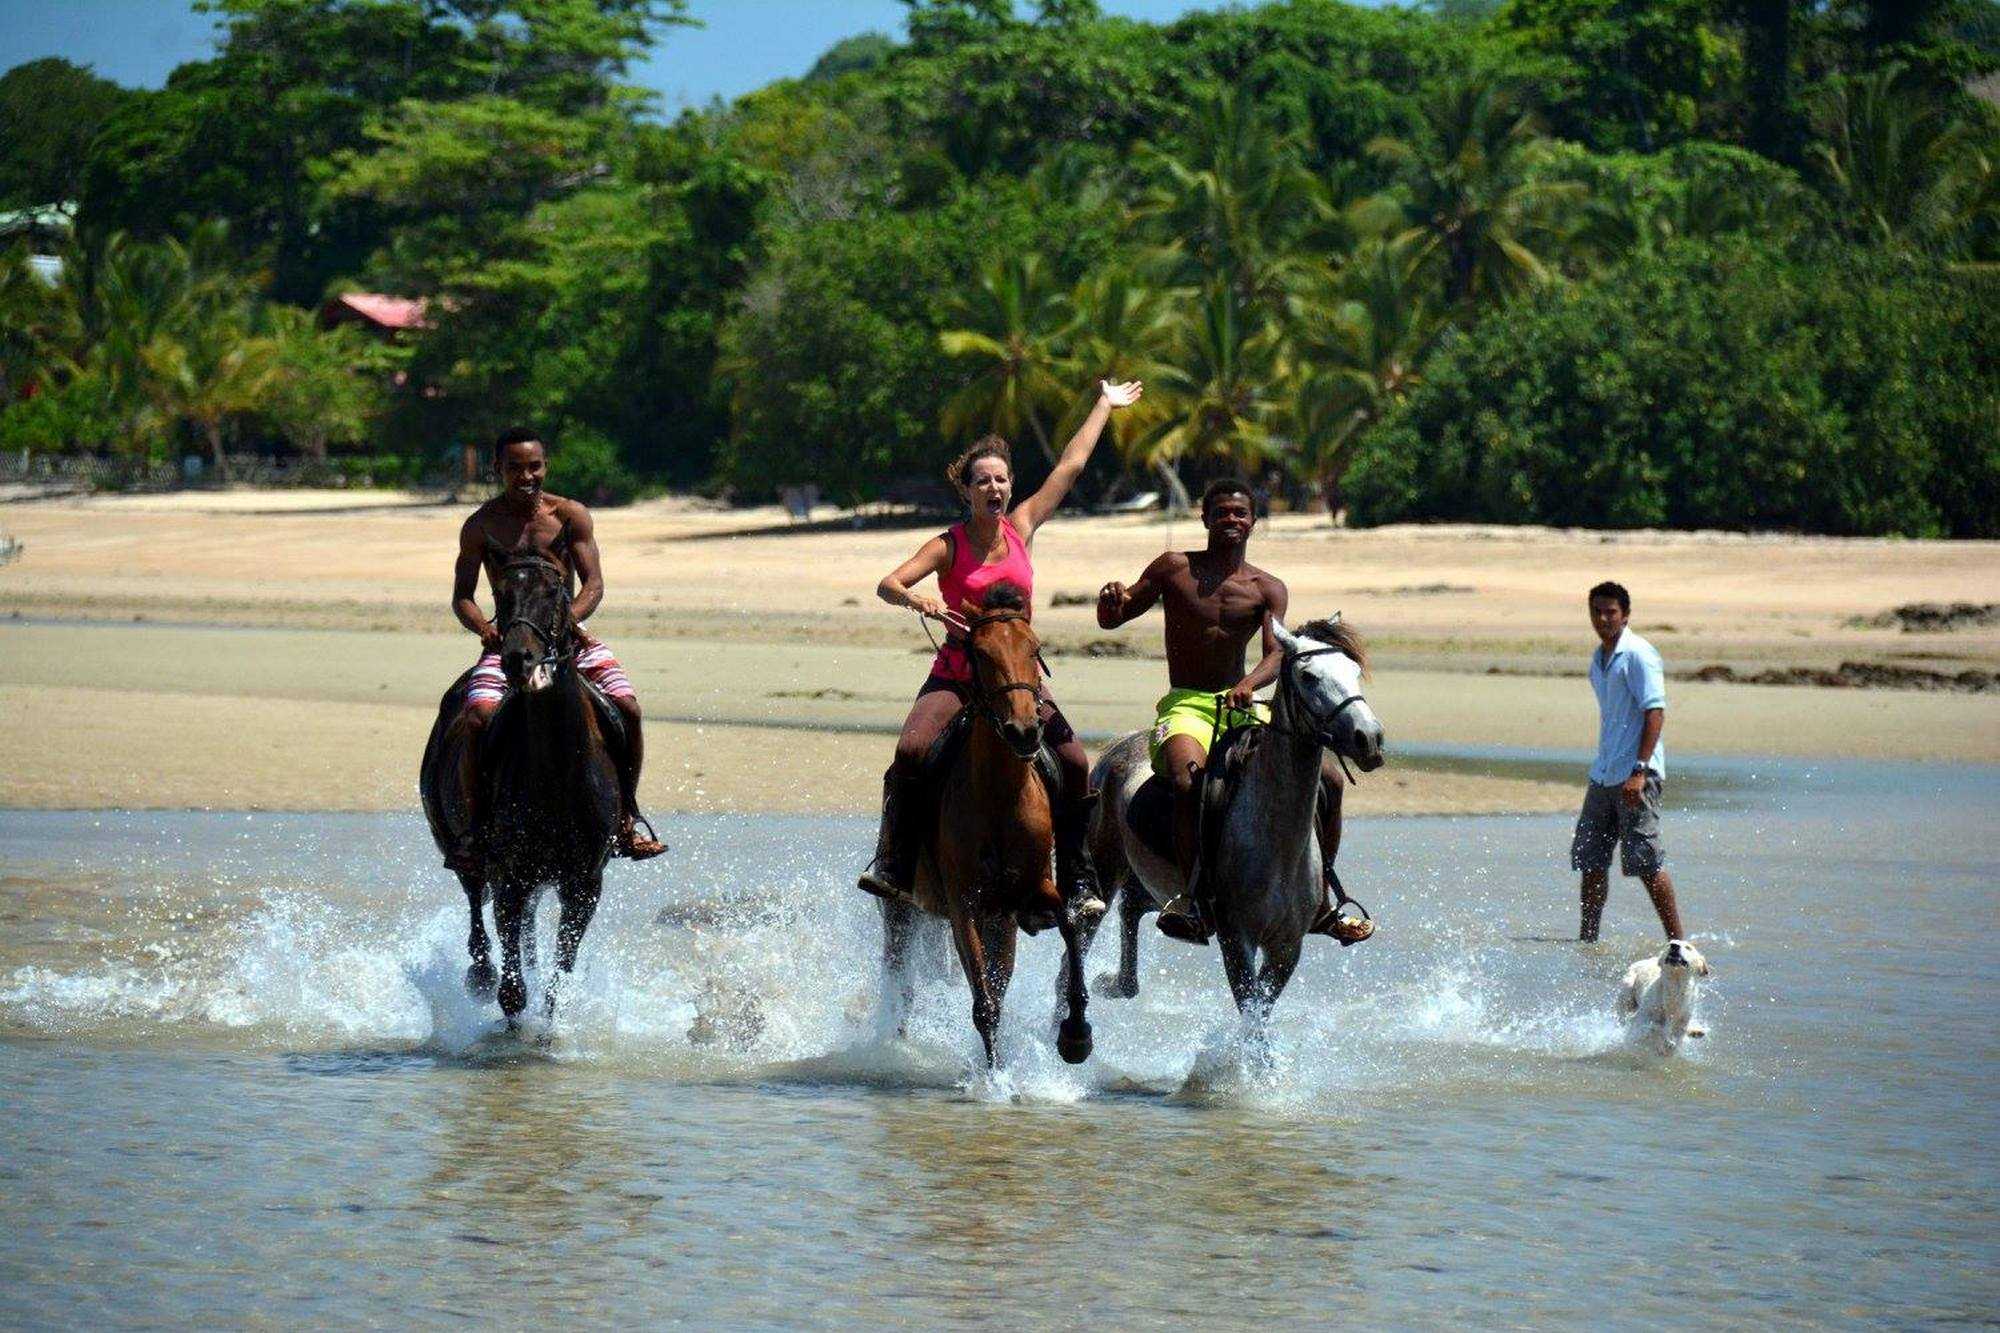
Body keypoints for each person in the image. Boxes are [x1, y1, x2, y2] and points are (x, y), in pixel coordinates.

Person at [858, 379, 1144, 915]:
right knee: (911, 753)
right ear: (966, 491)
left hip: (1017, 679)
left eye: (1001, 479)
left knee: (1075, 761)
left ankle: (1077, 879)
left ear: (1011, 486)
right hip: (959, 677)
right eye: (982, 481)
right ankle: (896, 865)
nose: (994, 488)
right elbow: (887, 584)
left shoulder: (1023, 526)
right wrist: (919, 602)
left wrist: (1104, 404)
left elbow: (1072, 466)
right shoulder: (947, 545)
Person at [1094, 477, 1372, 946]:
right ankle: (1191, 897)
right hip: (1186, 704)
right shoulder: (1173, 567)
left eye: (1240, 514)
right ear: (1204, 518)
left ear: (1253, 522)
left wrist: (1246, 686)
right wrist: (1109, 603)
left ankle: (1322, 899)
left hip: (1241, 702)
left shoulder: (1268, 588)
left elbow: (1277, 653)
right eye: (1221, 513)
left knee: (1329, 779)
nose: (1231, 521)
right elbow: (1115, 617)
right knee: (1187, 779)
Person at [440, 426, 666, 871]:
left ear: (545, 466)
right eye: (515, 468)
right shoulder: (481, 526)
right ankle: (475, 830)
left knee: (629, 708)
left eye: (534, 467)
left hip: (568, 639)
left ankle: (625, 817)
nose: (526, 477)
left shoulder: (570, 516)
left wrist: (570, 619)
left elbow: (594, 584)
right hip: (510, 643)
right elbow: (462, 596)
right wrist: (486, 629)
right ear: (498, 470)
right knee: (477, 718)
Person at [1571, 580, 1686, 942]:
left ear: (1625, 615)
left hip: (1637, 774)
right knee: (1590, 861)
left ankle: (1678, 941)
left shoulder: (1638, 653)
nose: (1603, 618)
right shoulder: (1598, 658)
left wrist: (1639, 770)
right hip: (1604, 774)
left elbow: (1655, 712)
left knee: (1646, 863)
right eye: (1597, 611)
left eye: (1611, 612)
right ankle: (1588, 942)